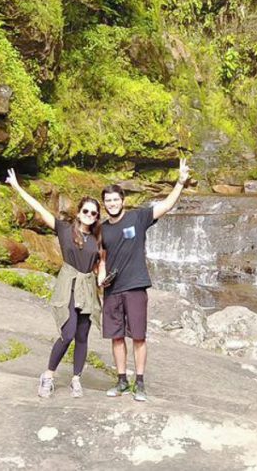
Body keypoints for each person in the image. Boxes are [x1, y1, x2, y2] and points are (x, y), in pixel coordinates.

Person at [5, 169, 105, 398]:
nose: (90, 215)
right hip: (69, 284)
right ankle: (48, 375)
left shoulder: (99, 237)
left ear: (97, 217)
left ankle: (76, 379)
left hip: (88, 287)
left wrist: (102, 278)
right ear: (78, 213)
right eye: (86, 211)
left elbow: (101, 263)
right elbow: (40, 209)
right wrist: (18, 187)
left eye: (94, 213)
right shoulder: (65, 230)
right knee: (67, 332)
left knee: (82, 335)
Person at [100, 158, 190, 402]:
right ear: (104, 204)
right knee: (116, 336)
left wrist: (180, 183)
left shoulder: (137, 219)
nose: (112, 204)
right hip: (112, 290)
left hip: (135, 285)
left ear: (123, 201)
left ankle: (139, 382)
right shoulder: (102, 229)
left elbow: (166, 206)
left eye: (115, 200)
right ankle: (121, 381)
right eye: (108, 201)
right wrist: (101, 274)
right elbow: (102, 257)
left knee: (138, 336)